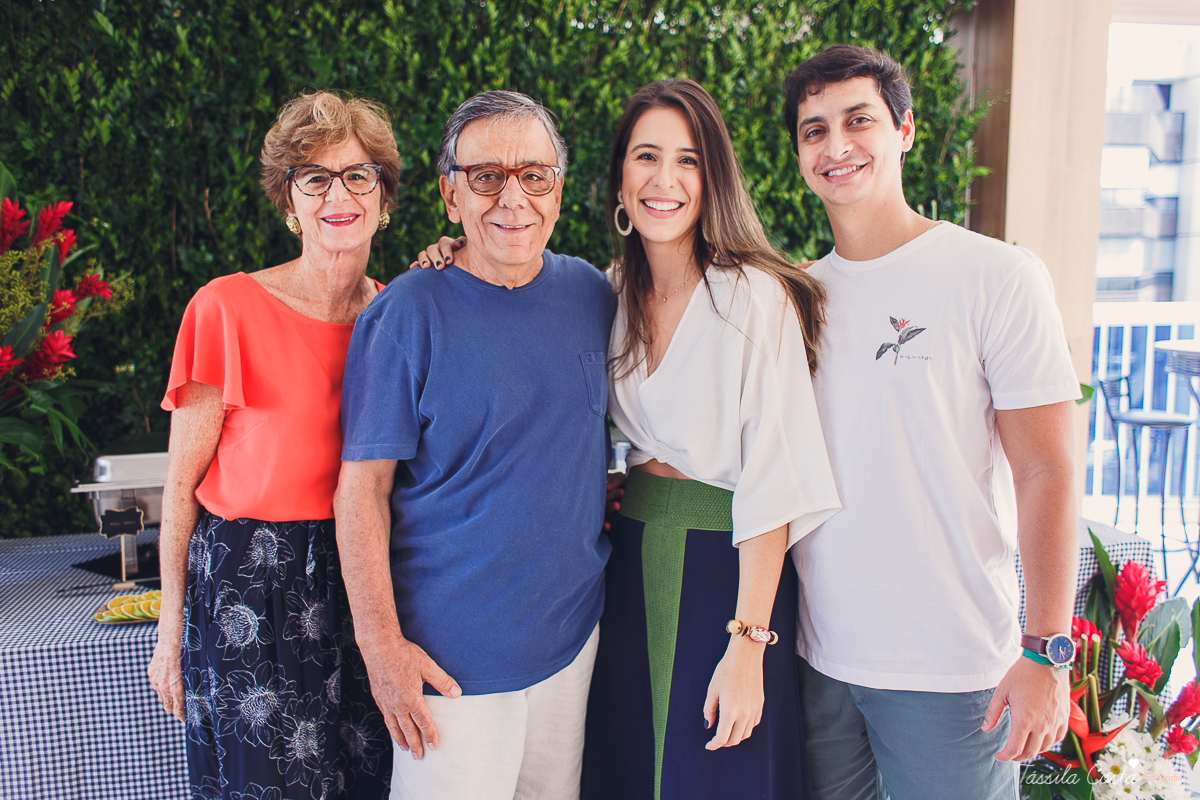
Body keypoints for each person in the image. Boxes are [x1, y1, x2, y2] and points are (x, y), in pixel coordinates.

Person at [781, 45, 1079, 799]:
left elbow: (1046, 470)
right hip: (820, 663)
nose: (836, 146)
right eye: (814, 130)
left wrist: (1047, 652)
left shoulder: (997, 277)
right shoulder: (797, 297)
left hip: (951, 674)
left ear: (905, 129)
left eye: (859, 121)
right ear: (798, 154)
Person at [333, 90, 616, 800]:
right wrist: (381, 649)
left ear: (559, 189)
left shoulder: (593, 295)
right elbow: (360, 490)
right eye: (485, 176)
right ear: (449, 194)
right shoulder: (403, 315)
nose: (511, 197)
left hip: (570, 646)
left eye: (534, 175)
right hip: (448, 669)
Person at [578, 78, 841, 800]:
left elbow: (775, 478)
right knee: (628, 768)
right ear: (620, 181)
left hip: (728, 574)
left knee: (715, 774)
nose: (664, 180)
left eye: (688, 160)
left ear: (712, 178)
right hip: (628, 562)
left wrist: (748, 643)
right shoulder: (610, 292)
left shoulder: (753, 296)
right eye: (646, 157)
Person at [147, 91, 396, 800]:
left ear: (384, 199)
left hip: (363, 579)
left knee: (370, 782)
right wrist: (170, 628)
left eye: (358, 175)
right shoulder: (223, 309)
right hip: (250, 589)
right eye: (313, 178)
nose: (337, 194)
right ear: (290, 202)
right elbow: (180, 483)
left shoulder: (398, 317)